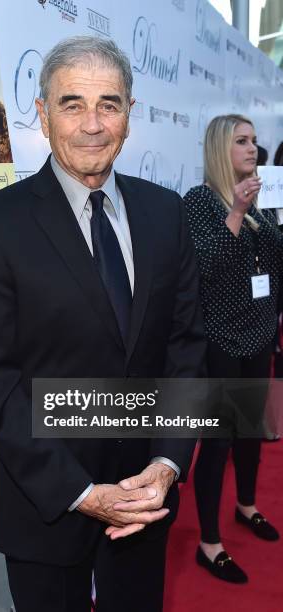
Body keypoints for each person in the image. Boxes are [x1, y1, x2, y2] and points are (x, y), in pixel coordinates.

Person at [0, 36, 206, 612]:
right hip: (45, 507)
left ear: (129, 116)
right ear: (42, 116)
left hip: (145, 501)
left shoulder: (166, 213)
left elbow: (185, 348)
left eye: (109, 104)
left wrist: (166, 464)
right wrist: (80, 491)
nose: (92, 124)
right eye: (72, 104)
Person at [183, 114, 281, 585]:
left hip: (260, 336)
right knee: (218, 442)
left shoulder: (261, 201)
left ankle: (246, 505)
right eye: (242, 141)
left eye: (255, 141)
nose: (252, 149)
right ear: (221, 148)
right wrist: (237, 213)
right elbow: (205, 269)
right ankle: (208, 542)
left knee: (249, 432)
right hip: (220, 341)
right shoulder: (199, 202)